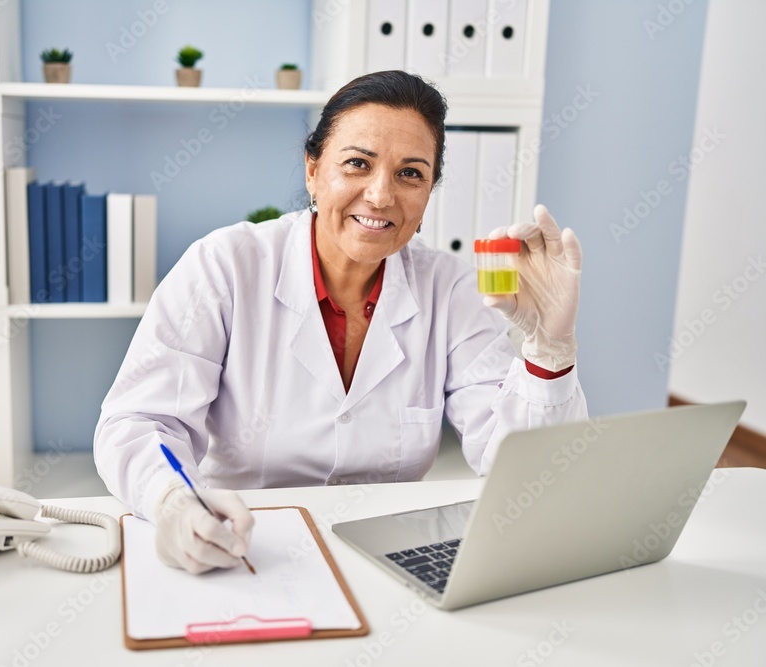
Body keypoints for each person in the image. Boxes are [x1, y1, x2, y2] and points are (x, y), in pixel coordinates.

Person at [94, 70, 587, 575]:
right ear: (313, 170)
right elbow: (138, 422)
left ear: (428, 192)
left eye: (410, 173)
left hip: (389, 558)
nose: (380, 196)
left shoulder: (452, 289)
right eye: (357, 164)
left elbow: (530, 475)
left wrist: (549, 348)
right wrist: (173, 500)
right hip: (240, 549)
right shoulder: (224, 265)